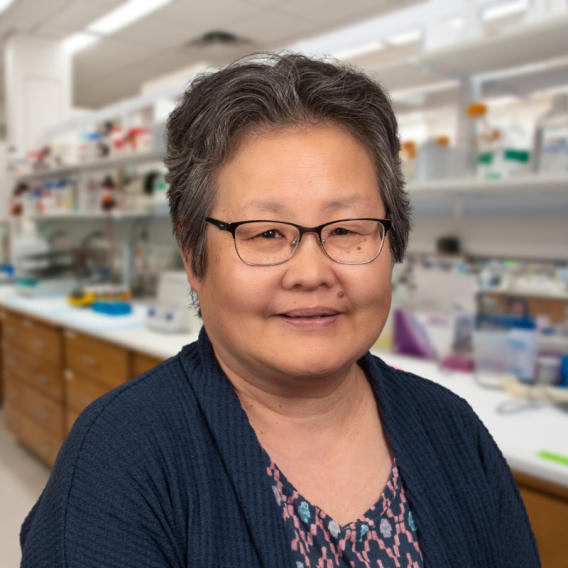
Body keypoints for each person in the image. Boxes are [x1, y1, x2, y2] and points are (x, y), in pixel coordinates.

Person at [20, 53, 540, 568]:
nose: (311, 273)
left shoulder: (451, 428)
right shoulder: (118, 461)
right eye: (267, 233)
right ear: (191, 254)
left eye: (346, 229)